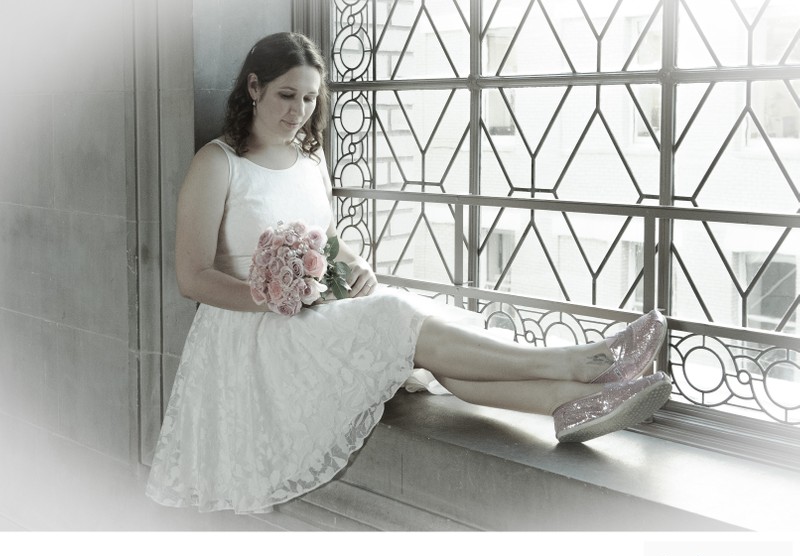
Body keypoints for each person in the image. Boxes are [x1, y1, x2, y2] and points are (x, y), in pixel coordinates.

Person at [145, 32, 672, 514]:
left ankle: (566, 404)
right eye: (287, 95)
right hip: (252, 331)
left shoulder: (310, 157)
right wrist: (273, 297)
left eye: (310, 98)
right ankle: (580, 363)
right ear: (254, 88)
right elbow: (192, 277)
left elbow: (324, 240)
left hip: (313, 309)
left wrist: (356, 267)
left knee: (431, 325)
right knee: (399, 318)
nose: (299, 111)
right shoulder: (218, 163)